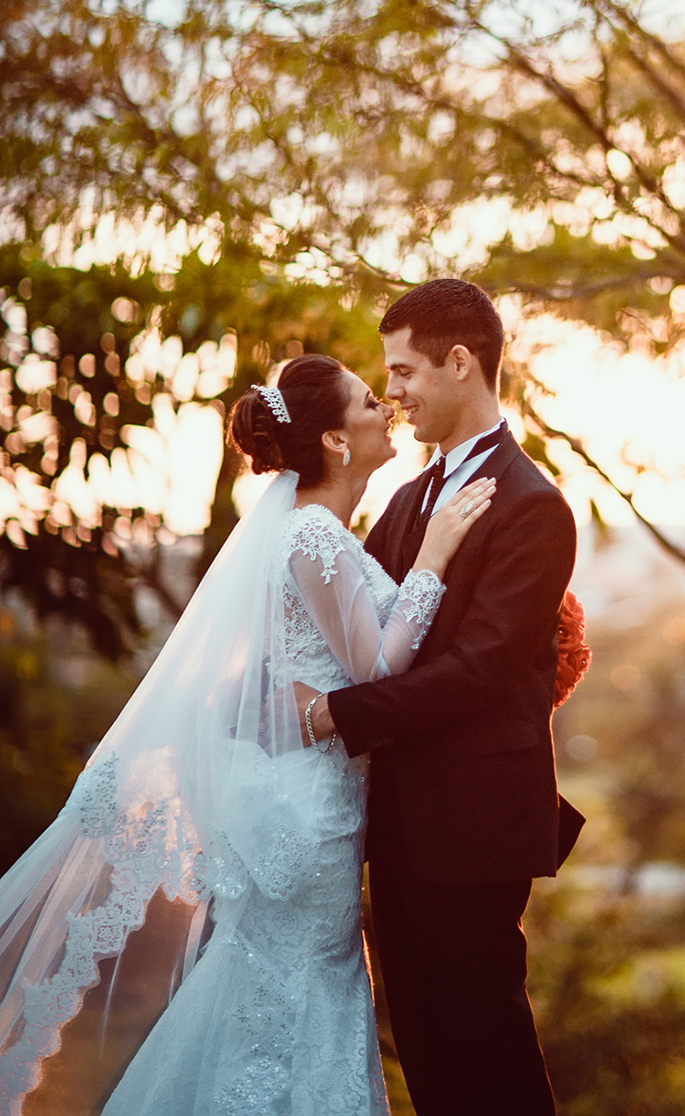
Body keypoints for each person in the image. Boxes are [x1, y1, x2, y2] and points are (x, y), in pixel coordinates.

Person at [0, 351, 492, 1116]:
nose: (385, 407)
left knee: (274, 978)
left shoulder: (315, 533)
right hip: (313, 811)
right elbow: (374, 670)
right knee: (304, 979)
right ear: (333, 439)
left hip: (304, 796)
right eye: (369, 399)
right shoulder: (315, 538)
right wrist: (433, 560)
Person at [298, 278, 585, 1116]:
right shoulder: (407, 495)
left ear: (460, 361)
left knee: (487, 1058)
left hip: (473, 829)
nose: (392, 395)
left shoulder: (535, 507)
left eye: (402, 371)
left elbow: (482, 669)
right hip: (395, 824)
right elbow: (363, 624)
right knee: (427, 1057)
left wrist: (336, 715)